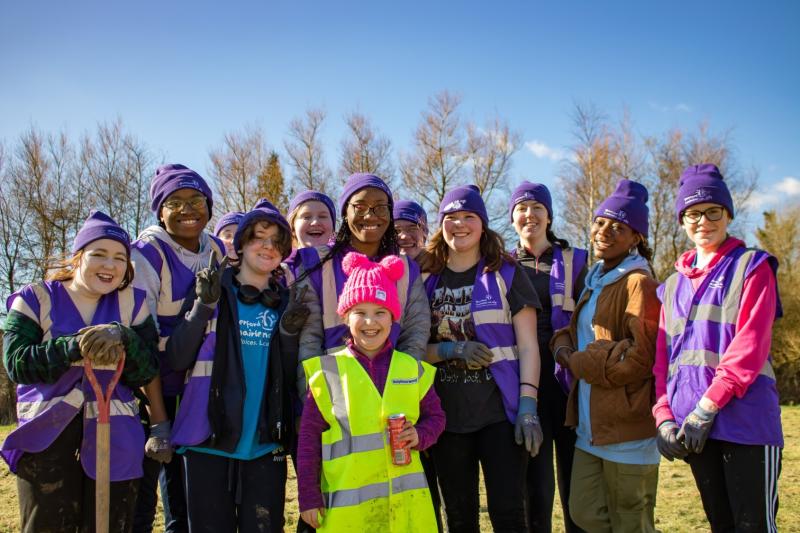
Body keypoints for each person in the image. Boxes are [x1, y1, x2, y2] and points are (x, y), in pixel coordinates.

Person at [1, 211, 159, 532]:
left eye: (119, 257)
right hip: (47, 443)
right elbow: (17, 362)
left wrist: (125, 338)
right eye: (98, 254)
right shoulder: (36, 298)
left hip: (116, 443)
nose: (110, 265)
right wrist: (74, 346)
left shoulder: (133, 304)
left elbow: (148, 369)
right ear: (77, 257)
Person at [653, 164, 783, 532]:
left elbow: (750, 347)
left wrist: (705, 409)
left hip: (746, 425)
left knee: (753, 527)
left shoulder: (752, 267)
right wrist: (664, 417)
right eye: (693, 213)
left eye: (713, 211)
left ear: (728, 214)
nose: (703, 221)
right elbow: (663, 363)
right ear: (681, 220)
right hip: (692, 432)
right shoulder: (672, 285)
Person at [165, 204, 309, 532]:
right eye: (259, 237)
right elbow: (176, 359)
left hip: (263, 445)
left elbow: (285, 379)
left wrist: (287, 337)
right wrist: (203, 306)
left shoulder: (284, 302)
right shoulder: (212, 289)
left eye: (277, 241)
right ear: (241, 243)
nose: (268, 246)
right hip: (207, 440)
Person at [422, 184, 543, 533]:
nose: (459, 224)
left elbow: (529, 346)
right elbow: (412, 348)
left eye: (468, 216)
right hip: (445, 417)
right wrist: (449, 350)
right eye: (451, 217)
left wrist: (528, 407)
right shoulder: (426, 276)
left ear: (483, 224)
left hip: (499, 415)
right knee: (459, 518)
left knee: (507, 514)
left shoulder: (505, 273)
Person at [297, 251, 445, 531]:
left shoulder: (411, 368)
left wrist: (420, 434)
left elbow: (436, 418)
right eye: (360, 313)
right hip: (349, 513)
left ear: (392, 319)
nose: (370, 322)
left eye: (380, 312)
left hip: (404, 511)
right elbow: (308, 441)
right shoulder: (327, 372)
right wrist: (308, 497)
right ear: (345, 318)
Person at [551, 179, 660, 533]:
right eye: (600, 222)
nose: (605, 231)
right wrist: (562, 345)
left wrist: (577, 361)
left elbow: (639, 358)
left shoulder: (638, 282)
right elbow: (581, 333)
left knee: (631, 521)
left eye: (619, 227)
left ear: (636, 239)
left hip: (627, 428)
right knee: (582, 511)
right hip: (591, 427)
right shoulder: (596, 277)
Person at [130, 163, 226, 533]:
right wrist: (159, 420)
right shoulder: (147, 254)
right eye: (175, 202)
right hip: (158, 390)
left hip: (202, 387)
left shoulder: (216, 248)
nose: (188, 209)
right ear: (160, 210)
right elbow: (142, 344)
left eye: (196, 199)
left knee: (200, 492)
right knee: (163, 497)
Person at [509, 181, 587, 533]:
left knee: (576, 485)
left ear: (549, 216)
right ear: (512, 219)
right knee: (536, 488)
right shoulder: (502, 265)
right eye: (522, 209)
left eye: (537, 208)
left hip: (568, 386)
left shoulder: (576, 261)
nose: (530, 215)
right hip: (526, 386)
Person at [295, 173, 431, 375]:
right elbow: (309, 342)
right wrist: (315, 398)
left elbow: (415, 337)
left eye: (380, 207)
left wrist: (401, 387)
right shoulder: (317, 263)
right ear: (345, 212)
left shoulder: (406, 269)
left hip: (389, 397)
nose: (370, 215)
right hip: (333, 397)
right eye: (359, 207)